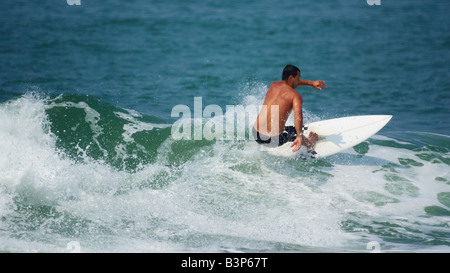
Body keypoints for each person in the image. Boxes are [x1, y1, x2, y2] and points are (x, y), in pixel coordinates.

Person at [252, 64, 327, 152]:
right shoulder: (295, 96)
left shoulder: (274, 85)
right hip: (271, 140)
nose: (299, 80)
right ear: (291, 78)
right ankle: (310, 143)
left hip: (256, 133)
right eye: (298, 78)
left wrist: (311, 83)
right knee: (299, 134)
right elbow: (298, 115)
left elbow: (295, 83)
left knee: (290, 129)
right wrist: (299, 136)